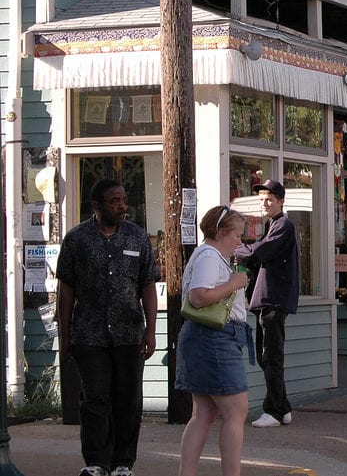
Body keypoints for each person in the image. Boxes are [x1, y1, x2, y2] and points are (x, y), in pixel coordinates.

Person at [56, 180, 161, 476]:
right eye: (114, 200)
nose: (122, 205)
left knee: (127, 399)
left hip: (128, 334)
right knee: (94, 400)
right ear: (97, 205)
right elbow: (66, 290)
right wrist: (65, 337)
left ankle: (123, 463)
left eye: (123, 199)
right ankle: (96, 462)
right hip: (89, 335)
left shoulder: (137, 238)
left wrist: (150, 330)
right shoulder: (77, 239)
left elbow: (148, 286)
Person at [177, 206, 253, 476]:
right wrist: (235, 282)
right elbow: (199, 297)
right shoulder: (210, 256)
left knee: (205, 412)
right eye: (236, 235)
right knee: (236, 410)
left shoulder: (205, 255)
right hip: (214, 337)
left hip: (203, 338)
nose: (239, 242)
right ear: (220, 232)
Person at [234, 179, 299, 428]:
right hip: (266, 297)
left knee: (271, 356)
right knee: (266, 356)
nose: (265, 203)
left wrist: (241, 248)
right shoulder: (272, 224)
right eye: (262, 199)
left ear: (281, 201)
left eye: (269, 199)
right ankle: (282, 408)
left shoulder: (283, 225)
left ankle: (272, 410)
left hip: (274, 298)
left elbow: (263, 251)